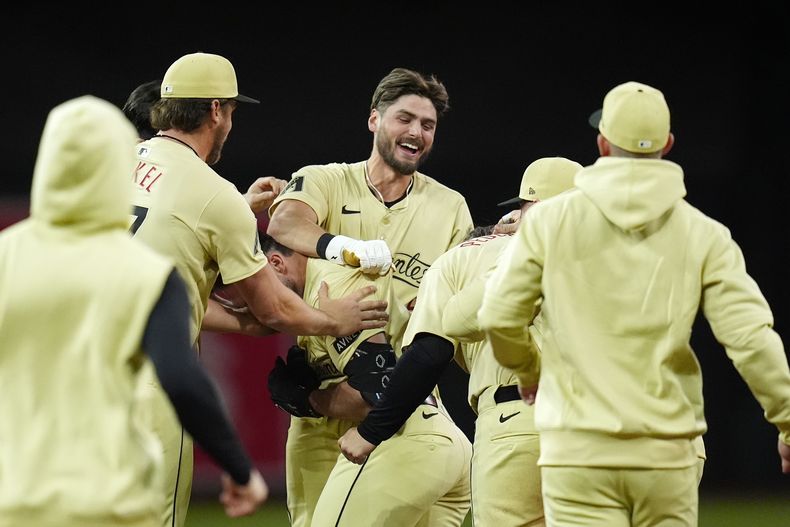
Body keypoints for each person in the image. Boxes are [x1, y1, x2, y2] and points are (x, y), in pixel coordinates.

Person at [478, 81, 790, 526]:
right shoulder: (704, 234)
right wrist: (787, 422)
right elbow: (751, 338)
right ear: (668, 145)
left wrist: (528, 371)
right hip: (665, 452)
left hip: (578, 451)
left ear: (603, 144)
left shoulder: (549, 221)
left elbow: (499, 315)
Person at [130, 52, 388, 527]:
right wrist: (333, 320)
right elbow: (273, 310)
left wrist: (234, 213)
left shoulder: (116, 166)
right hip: (149, 389)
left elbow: (158, 280)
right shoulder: (213, 193)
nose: (230, 123)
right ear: (214, 110)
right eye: (231, 110)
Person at [0, 95, 267, 527]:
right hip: (112, 499)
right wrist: (239, 469)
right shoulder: (144, 272)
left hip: (16, 496)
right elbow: (181, 381)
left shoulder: (7, 254)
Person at [266, 69, 475, 522]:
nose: (417, 132)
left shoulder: (450, 207)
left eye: (428, 125)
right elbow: (284, 223)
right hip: (320, 404)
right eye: (405, 119)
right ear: (374, 119)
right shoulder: (325, 179)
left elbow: (455, 302)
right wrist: (344, 248)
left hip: (395, 400)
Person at [339, 157, 582, 527]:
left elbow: (429, 353)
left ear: (529, 207)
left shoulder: (461, 258)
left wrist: (372, 431)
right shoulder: (608, 256)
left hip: (518, 419)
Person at [261, 233, 471, 526]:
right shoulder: (313, 304)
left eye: (251, 286)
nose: (251, 300)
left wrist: (307, 400)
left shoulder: (330, 290)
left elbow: (375, 395)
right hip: (436, 437)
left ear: (275, 262)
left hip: (405, 438)